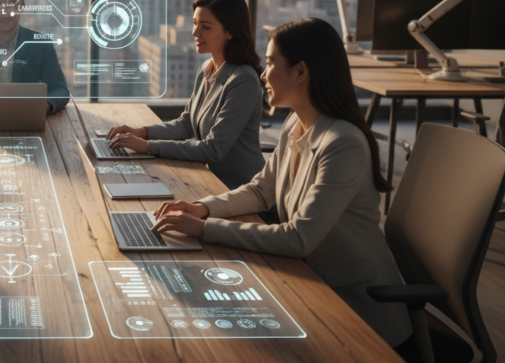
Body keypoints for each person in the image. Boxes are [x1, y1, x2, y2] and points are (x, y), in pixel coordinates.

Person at [150, 18, 411, 348]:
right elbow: (262, 190)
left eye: (271, 63)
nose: (262, 74)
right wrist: (202, 208)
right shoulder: (296, 123)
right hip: (310, 281)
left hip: (357, 311)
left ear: (301, 71)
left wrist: (205, 228)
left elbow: (299, 238)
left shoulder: (342, 143)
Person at [107, 0, 264, 190]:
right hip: (206, 179)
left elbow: (213, 149)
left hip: (237, 188)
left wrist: (147, 146)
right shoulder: (206, 68)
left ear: (231, 31)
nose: (195, 33)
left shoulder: (243, 80)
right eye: (195, 23)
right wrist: (142, 133)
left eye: (205, 27)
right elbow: (186, 124)